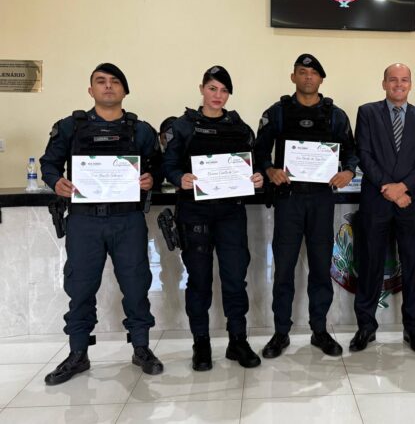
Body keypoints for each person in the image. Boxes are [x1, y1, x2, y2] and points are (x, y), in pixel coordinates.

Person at [39, 63, 163, 385]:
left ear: (125, 90)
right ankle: (78, 354)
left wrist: (153, 179)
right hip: (84, 221)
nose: (108, 87)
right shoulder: (70, 127)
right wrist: (56, 182)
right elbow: (49, 163)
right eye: (101, 81)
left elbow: (161, 166)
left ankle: (141, 348)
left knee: (136, 286)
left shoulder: (142, 130)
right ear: (90, 90)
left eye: (115, 82)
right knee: (79, 288)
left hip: (128, 220)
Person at [255, 53, 359, 358]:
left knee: (319, 268)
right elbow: (259, 151)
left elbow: (352, 152)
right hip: (288, 200)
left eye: (313, 73)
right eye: (302, 72)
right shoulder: (276, 112)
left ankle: (320, 330)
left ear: (321, 80)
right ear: (293, 77)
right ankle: (280, 333)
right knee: (284, 269)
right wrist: (269, 169)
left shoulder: (336, 115)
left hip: (321, 200)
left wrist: (349, 171)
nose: (308, 77)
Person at [162, 66, 264, 370]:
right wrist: (180, 177)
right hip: (195, 214)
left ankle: (238, 341)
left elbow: (253, 163)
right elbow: (167, 164)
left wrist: (257, 177)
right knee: (200, 281)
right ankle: (201, 343)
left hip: (231, 213)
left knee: (235, 279)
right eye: (212, 88)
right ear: (201, 89)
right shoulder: (182, 126)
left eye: (223, 90)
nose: (218, 95)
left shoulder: (239, 126)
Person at [350, 63, 415, 354]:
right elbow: (364, 153)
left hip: (409, 202)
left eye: (404, 80)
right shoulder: (368, 112)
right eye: (393, 80)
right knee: (370, 265)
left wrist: (403, 188)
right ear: (383, 83)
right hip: (376, 200)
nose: (399, 84)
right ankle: (366, 327)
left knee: (411, 267)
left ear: (410, 84)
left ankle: (413, 330)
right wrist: (389, 187)